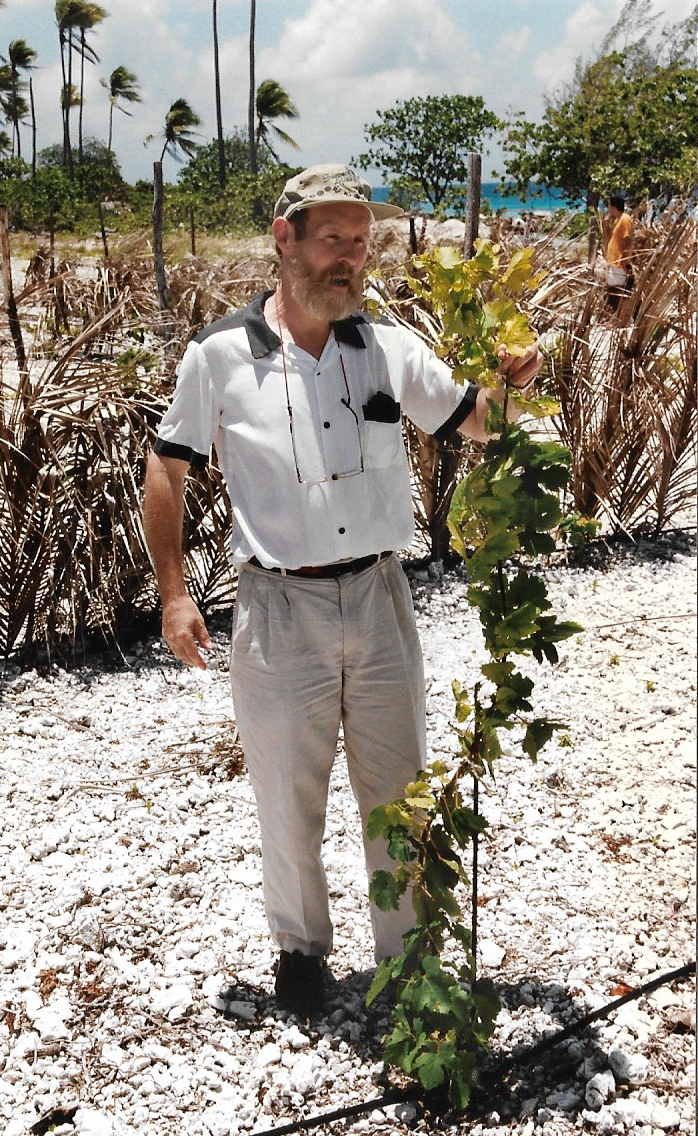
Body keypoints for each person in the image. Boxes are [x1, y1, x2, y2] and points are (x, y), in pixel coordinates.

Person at [142, 164, 541, 1017]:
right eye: (332, 239)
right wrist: (175, 594)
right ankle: (300, 951)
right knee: (287, 791)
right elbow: (167, 468)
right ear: (284, 238)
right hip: (277, 610)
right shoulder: (219, 354)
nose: (350, 258)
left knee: (398, 790)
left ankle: (408, 963)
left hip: (381, 595)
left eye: (361, 243)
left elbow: (474, 419)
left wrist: (515, 381)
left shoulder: (387, 347)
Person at [602, 194, 634, 313]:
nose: (608, 209)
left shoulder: (625, 219)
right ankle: (616, 316)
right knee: (613, 290)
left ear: (613, 206)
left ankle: (622, 317)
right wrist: (606, 224)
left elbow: (627, 241)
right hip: (613, 261)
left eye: (609, 206)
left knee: (620, 291)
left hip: (619, 262)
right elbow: (610, 238)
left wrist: (625, 262)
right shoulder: (617, 220)